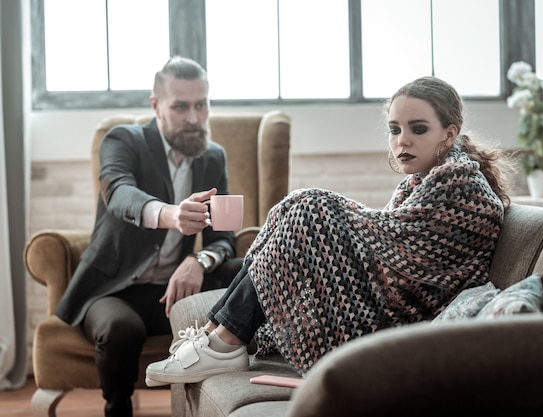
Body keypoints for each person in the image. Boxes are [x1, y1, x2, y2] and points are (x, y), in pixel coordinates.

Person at [145, 75, 513, 386]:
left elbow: (402, 270)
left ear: (449, 134)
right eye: (394, 129)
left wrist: (327, 212)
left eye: (418, 129)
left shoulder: (464, 192)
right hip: (382, 306)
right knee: (302, 207)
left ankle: (222, 342)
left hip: (397, 325)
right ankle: (215, 336)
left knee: (311, 206)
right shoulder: (421, 183)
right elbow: (387, 243)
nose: (403, 140)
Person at [55, 56, 242, 417]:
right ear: (156, 105)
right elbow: (119, 193)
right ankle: (117, 408)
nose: (193, 118)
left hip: (175, 289)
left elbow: (224, 236)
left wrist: (198, 261)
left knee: (249, 270)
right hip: (115, 289)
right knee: (121, 330)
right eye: (181, 106)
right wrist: (170, 214)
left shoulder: (213, 156)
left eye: (201, 105)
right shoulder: (124, 140)